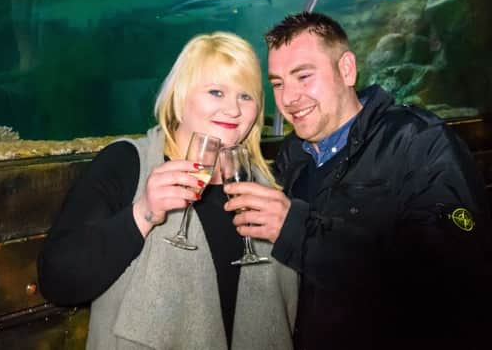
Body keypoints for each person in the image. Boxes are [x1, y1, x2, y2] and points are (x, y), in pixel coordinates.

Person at [224, 12, 492, 349]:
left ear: (347, 69)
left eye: (304, 76)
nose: (288, 99)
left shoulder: (420, 142)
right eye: (278, 83)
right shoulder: (293, 155)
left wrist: (299, 231)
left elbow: (449, 279)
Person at [37, 32, 298, 350]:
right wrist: (142, 213)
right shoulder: (128, 162)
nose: (233, 109)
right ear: (179, 96)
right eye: (216, 92)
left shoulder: (266, 182)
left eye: (246, 96)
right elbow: (58, 281)